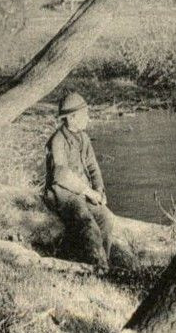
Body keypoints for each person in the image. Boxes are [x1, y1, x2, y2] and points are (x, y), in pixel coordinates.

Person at [43, 91, 133, 270]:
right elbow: (61, 175)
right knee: (88, 225)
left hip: (83, 192)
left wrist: (100, 190)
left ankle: (102, 265)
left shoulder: (83, 138)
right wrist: (89, 192)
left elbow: (93, 166)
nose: (88, 118)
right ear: (71, 118)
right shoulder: (57, 141)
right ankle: (96, 269)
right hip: (62, 193)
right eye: (84, 114)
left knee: (107, 219)